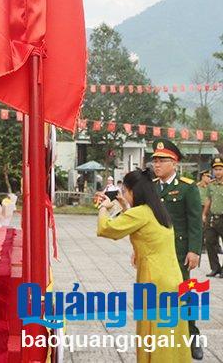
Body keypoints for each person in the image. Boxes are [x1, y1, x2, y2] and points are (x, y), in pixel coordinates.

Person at [94, 169, 188, 362]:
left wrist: (104, 207)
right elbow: (144, 230)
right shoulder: (157, 210)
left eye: (125, 191)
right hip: (172, 279)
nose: (124, 194)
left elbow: (106, 229)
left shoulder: (141, 213)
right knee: (171, 334)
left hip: (155, 281)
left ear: (132, 191)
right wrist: (124, 205)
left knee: (155, 334)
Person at [150, 140, 204, 360]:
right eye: (155, 160)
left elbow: (195, 222)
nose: (157, 165)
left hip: (179, 252)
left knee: (185, 293)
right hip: (155, 252)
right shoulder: (152, 187)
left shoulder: (187, 187)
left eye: (162, 160)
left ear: (174, 163)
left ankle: (192, 337)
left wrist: (194, 250)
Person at [202, 158, 223, 278]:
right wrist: (204, 214)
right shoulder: (211, 185)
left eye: (220, 169)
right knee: (209, 242)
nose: (218, 172)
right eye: (216, 169)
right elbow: (208, 200)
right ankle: (215, 268)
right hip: (212, 217)